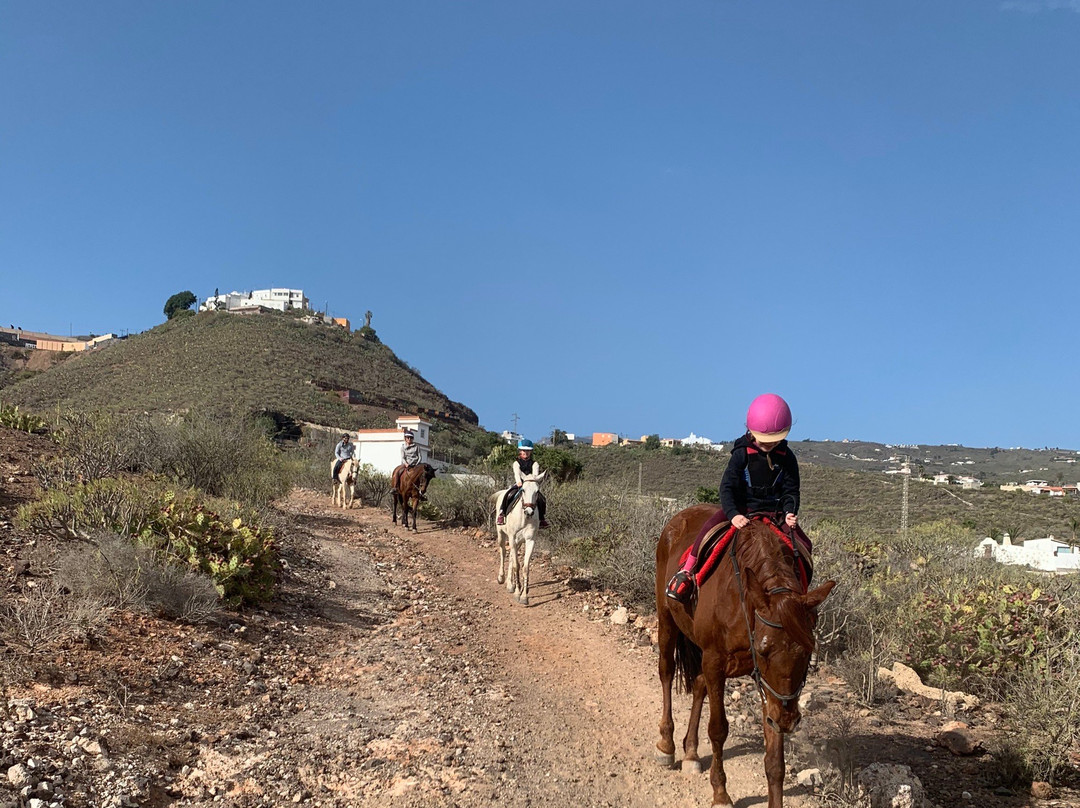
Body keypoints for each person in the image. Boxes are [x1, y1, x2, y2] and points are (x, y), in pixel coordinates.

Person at [665, 393, 801, 604]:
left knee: (804, 545)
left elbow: (791, 490)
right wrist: (733, 514)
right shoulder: (741, 454)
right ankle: (687, 571)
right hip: (742, 509)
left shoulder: (787, 457)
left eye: (774, 441)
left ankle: (801, 595)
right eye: (764, 441)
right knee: (708, 530)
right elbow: (727, 488)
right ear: (751, 431)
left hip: (775, 513)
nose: (769, 445)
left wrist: (790, 510)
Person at [497, 439, 550, 528]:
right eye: (524, 450)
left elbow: (535, 474)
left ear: (531, 452)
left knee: (542, 499)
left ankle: (542, 519)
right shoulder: (516, 463)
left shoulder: (535, 464)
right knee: (508, 495)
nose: (526, 452)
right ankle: (502, 513)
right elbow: (517, 473)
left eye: (528, 451)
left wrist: (532, 481)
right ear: (520, 451)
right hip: (520, 484)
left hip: (530, 485)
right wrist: (518, 482)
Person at [391, 429, 423, 493]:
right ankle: (395, 487)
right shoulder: (403, 447)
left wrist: (417, 464)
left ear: (413, 439)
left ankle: (421, 491)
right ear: (405, 438)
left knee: (424, 474)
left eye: (411, 438)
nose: (409, 439)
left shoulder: (416, 447)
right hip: (406, 464)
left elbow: (420, 457)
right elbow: (403, 457)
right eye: (407, 437)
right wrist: (406, 464)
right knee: (397, 471)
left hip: (415, 464)